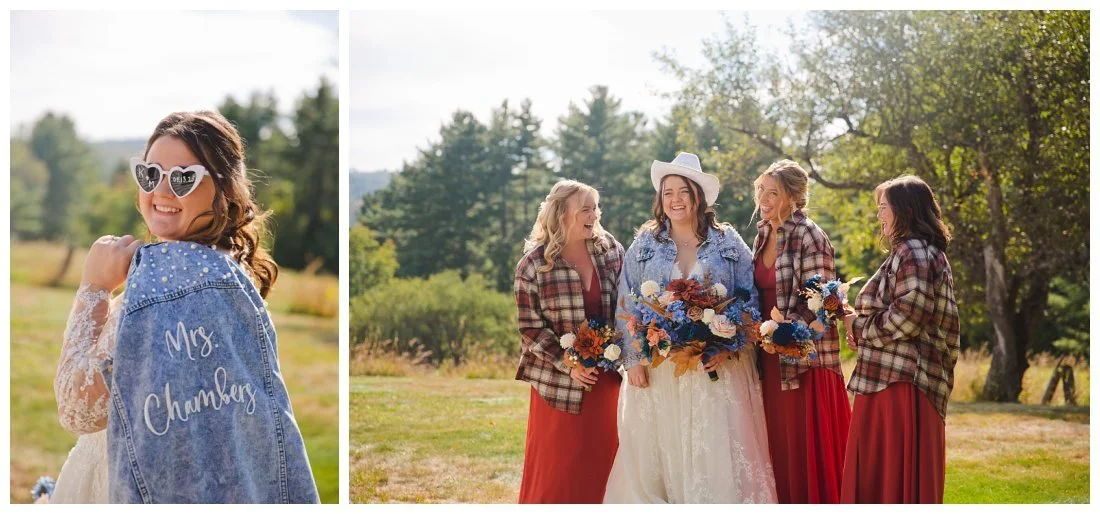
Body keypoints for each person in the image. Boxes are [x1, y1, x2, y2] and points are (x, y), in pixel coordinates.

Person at [52, 111, 318, 503]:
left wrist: (93, 289)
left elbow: (79, 410)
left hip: (125, 484)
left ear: (224, 189)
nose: (161, 191)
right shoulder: (228, 274)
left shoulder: (163, 287)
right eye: (150, 174)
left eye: (183, 179)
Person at [603, 152, 776, 503]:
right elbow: (626, 300)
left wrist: (729, 345)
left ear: (698, 196)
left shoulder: (727, 241)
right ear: (660, 199)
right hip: (660, 369)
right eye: (668, 192)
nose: (675, 199)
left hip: (718, 368)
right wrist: (633, 358)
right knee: (663, 451)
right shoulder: (645, 244)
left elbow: (749, 298)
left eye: (683, 191)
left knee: (713, 449)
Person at [841, 175, 960, 503]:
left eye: (884, 208)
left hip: (901, 383)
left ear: (905, 211)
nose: (880, 216)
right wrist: (860, 329)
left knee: (890, 479)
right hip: (889, 377)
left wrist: (860, 328)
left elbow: (908, 317)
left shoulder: (915, 251)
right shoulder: (914, 251)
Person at [514, 180, 625, 503]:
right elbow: (530, 328)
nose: (594, 215)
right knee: (558, 469)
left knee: (604, 464)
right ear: (562, 214)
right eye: (585, 209)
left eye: (596, 208)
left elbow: (625, 306)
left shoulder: (610, 251)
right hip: (557, 385)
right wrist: (569, 364)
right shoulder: (533, 265)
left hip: (605, 381)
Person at [751, 160, 852, 503]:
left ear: (793, 197)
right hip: (767, 357)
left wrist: (784, 332)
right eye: (761, 190)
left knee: (805, 450)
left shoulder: (809, 234)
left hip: (804, 362)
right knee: (777, 448)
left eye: (773, 192)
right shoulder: (763, 233)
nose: (763, 198)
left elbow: (820, 304)